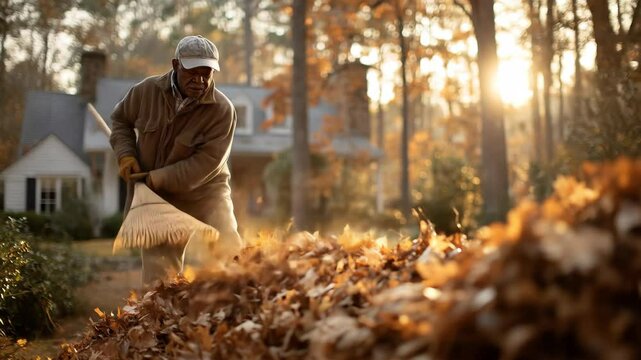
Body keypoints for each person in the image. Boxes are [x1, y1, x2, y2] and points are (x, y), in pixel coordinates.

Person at [110, 35, 243, 286]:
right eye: (193, 73)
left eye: (207, 74)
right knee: (159, 281)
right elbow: (120, 120)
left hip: (207, 192)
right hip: (158, 199)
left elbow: (204, 165)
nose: (200, 81)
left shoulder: (222, 111)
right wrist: (126, 154)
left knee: (231, 253)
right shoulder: (145, 92)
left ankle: (245, 309)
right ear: (175, 65)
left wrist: (155, 177)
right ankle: (164, 323)